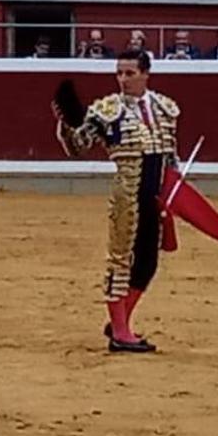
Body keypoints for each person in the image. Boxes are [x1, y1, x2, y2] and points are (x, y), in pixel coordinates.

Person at [53, 50, 180, 353]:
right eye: (119, 73)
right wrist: (68, 124)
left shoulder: (164, 107)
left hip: (155, 196)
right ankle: (121, 333)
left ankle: (120, 321)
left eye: (129, 73)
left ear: (145, 73)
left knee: (147, 264)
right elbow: (78, 147)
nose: (123, 79)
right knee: (121, 261)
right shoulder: (105, 110)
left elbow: (171, 154)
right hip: (128, 196)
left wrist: (172, 192)